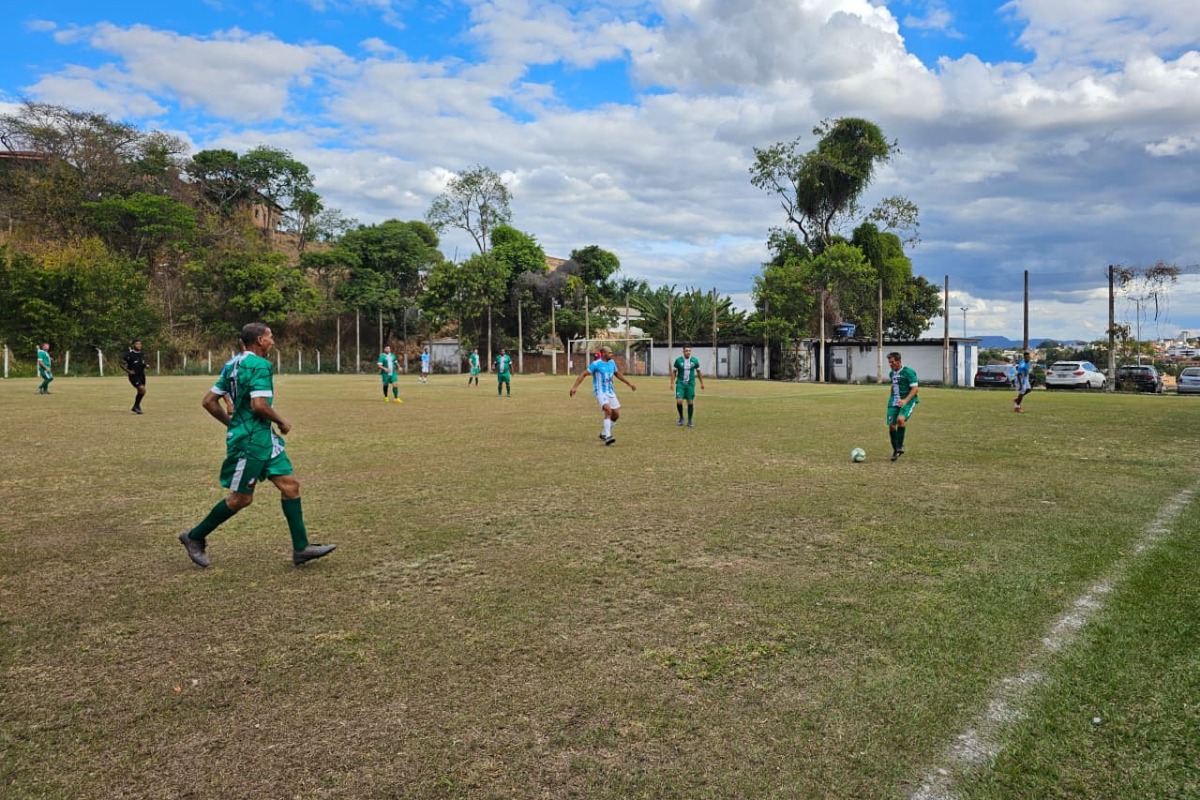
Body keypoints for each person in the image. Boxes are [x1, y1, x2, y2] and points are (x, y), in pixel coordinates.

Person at [178, 322, 336, 568]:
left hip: (262, 437)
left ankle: (301, 548)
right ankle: (194, 536)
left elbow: (209, 401)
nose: (273, 341)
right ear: (259, 341)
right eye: (270, 336)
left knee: (291, 486)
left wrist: (232, 423)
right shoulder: (261, 365)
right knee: (241, 499)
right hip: (250, 442)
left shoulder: (231, 364)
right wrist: (282, 421)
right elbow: (259, 405)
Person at [569, 345, 637, 445]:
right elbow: (583, 374)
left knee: (616, 415)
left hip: (610, 391)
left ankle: (604, 433)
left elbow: (617, 374)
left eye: (611, 352)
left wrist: (629, 383)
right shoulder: (596, 364)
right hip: (600, 391)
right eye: (609, 352)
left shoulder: (612, 362)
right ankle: (608, 437)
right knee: (608, 410)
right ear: (604, 353)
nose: (611, 354)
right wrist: (575, 387)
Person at [886, 351, 919, 461]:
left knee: (900, 420)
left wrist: (905, 400)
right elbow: (893, 385)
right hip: (894, 401)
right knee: (891, 425)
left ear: (898, 361)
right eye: (889, 362)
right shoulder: (892, 373)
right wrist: (892, 399)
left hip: (908, 400)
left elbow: (915, 388)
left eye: (892, 362)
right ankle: (896, 450)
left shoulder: (908, 372)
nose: (890, 364)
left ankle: (900, 446)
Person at [671, 345, 705, 427]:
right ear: (683, 351)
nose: (688, 352)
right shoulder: (678, 361)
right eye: (686, 350)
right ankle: (681, 417)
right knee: (679, 401)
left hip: (690, 384)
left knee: (690, 402)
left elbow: (699, 372)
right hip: (680, 384)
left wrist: (702, 383)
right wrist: (672, 383)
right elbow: (674, 372)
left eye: (689, 350)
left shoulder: (695, 361)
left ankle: (690, 420)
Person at [120, 338, 148, 414]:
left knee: (141, 391)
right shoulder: (129, 354)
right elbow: (121, 363)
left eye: (140, 344)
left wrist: (145, 365)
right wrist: (128, 371)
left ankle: (136, 406)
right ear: (133, 345)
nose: (139, 345)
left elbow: (142, 362)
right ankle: (136, 406)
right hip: (134, 376)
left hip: (141, 375)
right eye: (137, 344)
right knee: (142, 389)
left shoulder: (141, 354)